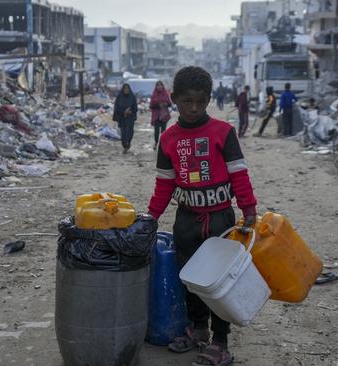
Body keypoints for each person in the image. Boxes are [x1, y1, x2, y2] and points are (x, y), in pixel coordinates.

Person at [147, 66, 258, 366]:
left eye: (200, 101)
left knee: (218, 284)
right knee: (190, 280)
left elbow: (239, 174)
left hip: (221, 219)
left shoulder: (224, 133)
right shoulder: (168, 139)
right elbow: (164, 185)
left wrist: (248, 208)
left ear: (209, 99)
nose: (194, 108)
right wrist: (150, 218)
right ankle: (198, 330)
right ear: (174, 99)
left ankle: (220, 342)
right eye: (187, 102)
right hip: (186, 221)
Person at [113, 83, 138, 154]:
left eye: (128, 88)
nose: (126, 90)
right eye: (125, 88)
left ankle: (128, 143)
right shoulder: (119, 97)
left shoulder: (132, 97)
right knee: (123, 133)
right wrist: (124, 111)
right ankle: (125, 145)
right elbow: (117, 108)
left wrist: (130, 111)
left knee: (130, 132)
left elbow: (135, 108)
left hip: (130, 118)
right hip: (122, 118)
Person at [150, 81, 172, 149]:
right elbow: (151, 105)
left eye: (161, 85)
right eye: (158, 85)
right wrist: (158, 105)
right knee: (156, 131)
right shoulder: (154, 94)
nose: (159, 87)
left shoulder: (165, 94)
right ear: (156, 87)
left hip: (164, 115)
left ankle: (162, 144)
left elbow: (170, 103)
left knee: (163, 131)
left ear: (163, 86)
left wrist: (166, 104)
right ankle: (156, 143)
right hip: (156, 115)